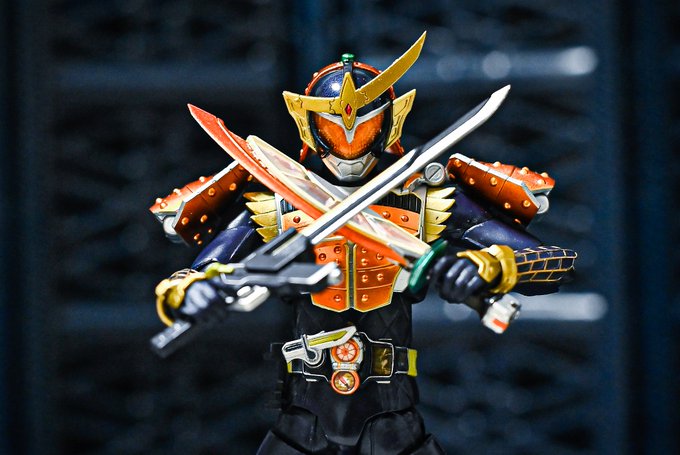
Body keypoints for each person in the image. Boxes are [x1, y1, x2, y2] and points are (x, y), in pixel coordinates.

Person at [151, 33, 576, 454]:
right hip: (303, 417)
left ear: (389, 122)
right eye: (334, 131)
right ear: (310, 126)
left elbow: (553, 262)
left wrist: (487, 268)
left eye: (364, 127)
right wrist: (192, 293)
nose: (349, 145)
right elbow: (193, 276)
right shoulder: (277, 201)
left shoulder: (425, 197)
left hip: (392, 416)